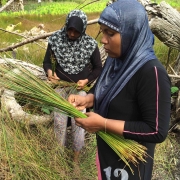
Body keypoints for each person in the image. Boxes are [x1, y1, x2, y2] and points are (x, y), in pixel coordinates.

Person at [68, 0, 171, 180]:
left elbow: (157, 130)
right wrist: (89, 99)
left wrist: (103, 124)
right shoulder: (115, 60)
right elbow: (109, 91)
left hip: (131, 164)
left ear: (131, 33)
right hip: (108, 153)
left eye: (111, 33)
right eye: (103, 31)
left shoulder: (151, 72)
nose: (103, 39)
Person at [43, 9, 102, 166]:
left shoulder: (90, 44)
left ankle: (75, 160)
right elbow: (47, 62)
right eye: (70, 29)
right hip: (61, 87)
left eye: (76, 31)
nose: (72, 34)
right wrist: (50, 73)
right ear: (66, 25)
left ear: (83, 29)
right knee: (59, 121)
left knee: (79, 122)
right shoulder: (56, 39)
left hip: (79, 90)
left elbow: (98, 68)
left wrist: (86, 80)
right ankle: (58, 157)